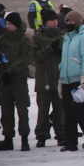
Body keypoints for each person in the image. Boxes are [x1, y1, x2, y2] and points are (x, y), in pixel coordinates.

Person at [58, 10, 84, 152]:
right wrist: (61, 79)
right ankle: (70, 142)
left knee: (77, 108)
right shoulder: (67, 38)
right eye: (66, 21)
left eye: (71, 21)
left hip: (79, 79)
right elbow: (64, 60)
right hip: (67, 79)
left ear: (77, 22)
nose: (68, 24)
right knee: (68, 111)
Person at [0, 12, 32, 152]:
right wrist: (1, 71)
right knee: (6, 111)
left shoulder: (24, 39)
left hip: (18, 79)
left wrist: (11, 71)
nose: (8, 26)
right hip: (5, 80)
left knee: (22, 110)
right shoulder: (3, 39)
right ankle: (8, 139)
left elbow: (25, 58)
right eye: (7, 24)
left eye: (10, 24)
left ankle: (24, 139)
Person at [32, 9, 65, 148]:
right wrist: (49, 48)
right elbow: (34, 57)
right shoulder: (37, 37)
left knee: (60, 110)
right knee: (43, 111)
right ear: (45, 22)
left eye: (56, 19)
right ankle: (41, 135)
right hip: (44, 78)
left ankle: (62, 135)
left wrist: (60, 50)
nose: (55, 22)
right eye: (52, 20)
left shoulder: (62, 36)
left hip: (58, 78)